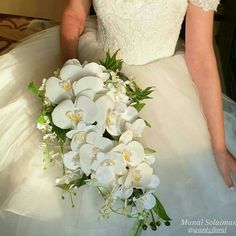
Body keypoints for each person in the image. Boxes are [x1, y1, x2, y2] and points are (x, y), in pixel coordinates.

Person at [0, 0, 236, 235]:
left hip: (164, 92)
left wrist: (218, 147)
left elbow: (201, 58)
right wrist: (69, 75)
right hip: (94, 70)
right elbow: (74, 14)